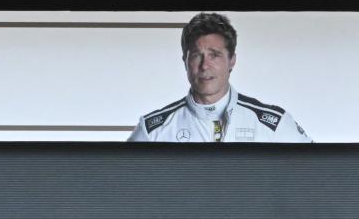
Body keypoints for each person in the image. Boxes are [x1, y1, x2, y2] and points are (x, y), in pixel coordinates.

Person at [128, 12, 313, 143]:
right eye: (196, 55)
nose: (204, 65)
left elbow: (315, 177)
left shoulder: (273, 124)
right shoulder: (153, 131)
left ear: (232, 60)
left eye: (214, 55)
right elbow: (121, 189)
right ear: (185, 60)